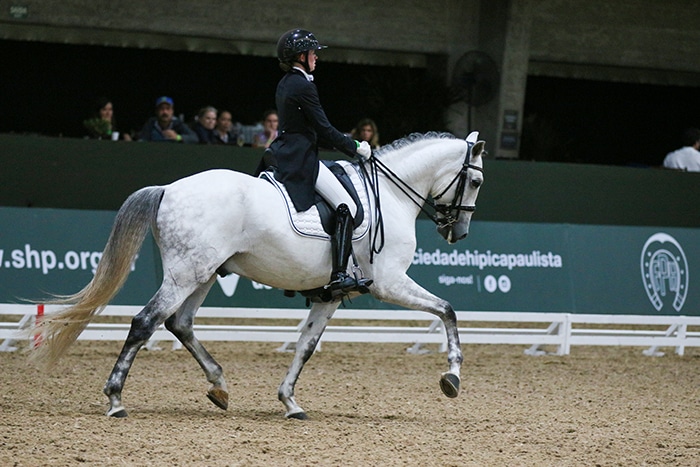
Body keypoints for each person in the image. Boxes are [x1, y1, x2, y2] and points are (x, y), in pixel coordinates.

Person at [263, 28, 373, 298]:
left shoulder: (286, 82)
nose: (316, 57)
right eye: (313, 53)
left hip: (281, 151)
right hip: (300, 158)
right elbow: (324, 129)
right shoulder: (304, 85)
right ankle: (339, 275)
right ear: (301, 56)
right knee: (345, 206)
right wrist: (356, 147)